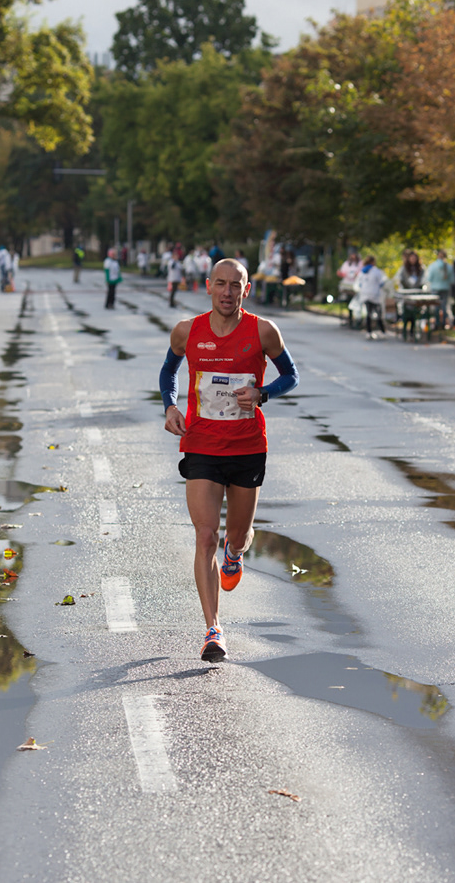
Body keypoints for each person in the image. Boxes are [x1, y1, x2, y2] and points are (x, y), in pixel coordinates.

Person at [159, 258, 299, 662]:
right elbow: (168, 371)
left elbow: (291, 376)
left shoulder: (263, 331)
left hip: (247, 446)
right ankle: (213, 630)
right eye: (219, 284)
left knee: (233, 535)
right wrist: (169, 406)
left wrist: (263, 393)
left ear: (246, 289)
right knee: (205, 536)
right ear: (207, 286)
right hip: (201, 443)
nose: (226, 291)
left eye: (234, 285)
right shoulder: (188, 331)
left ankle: (236, 552)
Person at [358, 255, 386, 339]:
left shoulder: (362, 272)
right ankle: (382, 331)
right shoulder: (376, 271)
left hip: (365, 295)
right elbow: (381, 282)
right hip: (375, 295)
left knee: (368, 314)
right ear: (373, 262)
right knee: (378, 314)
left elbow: (360, 284)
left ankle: (369, 332)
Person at [425, 249, 455, 329]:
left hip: (435, 288)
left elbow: (429, 279)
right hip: (445, 288)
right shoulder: (449, 267)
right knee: (444, 307)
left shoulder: (432, 266)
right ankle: (444, 323)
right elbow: (452, 280)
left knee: (436, 307)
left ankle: (437, 323)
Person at [337, 251, 362, 325]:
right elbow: (342, 272)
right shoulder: (347, 263)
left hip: (357, 286)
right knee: (348, 301)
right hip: (347, 286)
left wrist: (357, 275)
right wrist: (341, 274)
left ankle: (358, 320)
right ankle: (350, 318)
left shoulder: (360, 263)